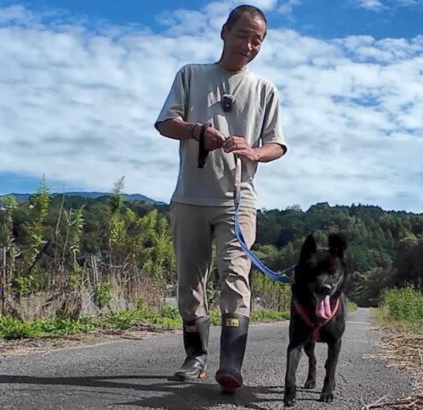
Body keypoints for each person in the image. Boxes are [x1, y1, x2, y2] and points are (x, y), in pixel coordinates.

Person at [154, 4, 287, 394]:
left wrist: (253, 152)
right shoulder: (191, 75)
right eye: (243, 34)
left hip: (238, 199)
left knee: (235, 275)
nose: (249, 45)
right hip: (190, 198)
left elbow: (277, 145)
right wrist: (196, 131)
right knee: (189, 281)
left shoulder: (265, 89)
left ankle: (231, 363)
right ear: (224, 32)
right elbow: (165, 123)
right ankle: (195, 357)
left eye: (257, 39)